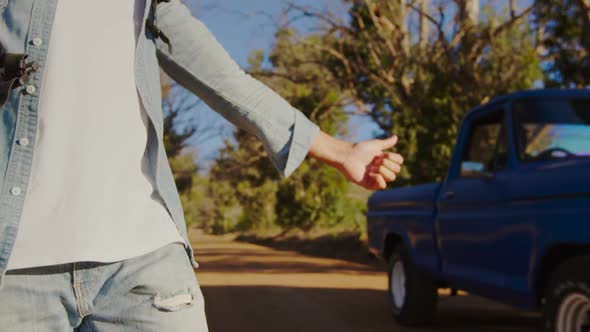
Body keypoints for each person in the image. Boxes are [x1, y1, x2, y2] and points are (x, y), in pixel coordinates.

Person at [0, 0, 403, 330]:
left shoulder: (150, 5)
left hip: (144, 265)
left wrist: (340, 151)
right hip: (16, 274)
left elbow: (228, 81)